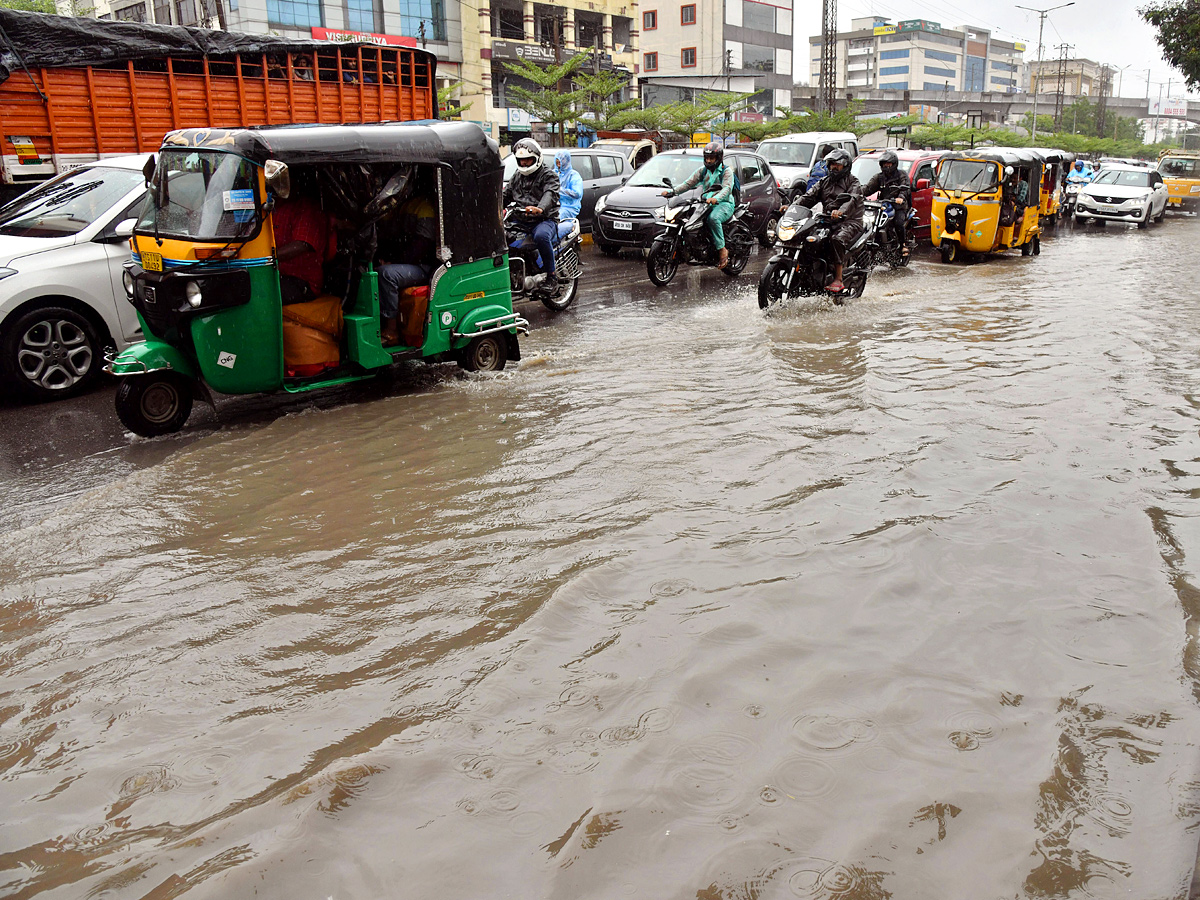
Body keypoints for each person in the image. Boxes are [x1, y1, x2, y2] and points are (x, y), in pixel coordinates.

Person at [794, 148, 864, 294]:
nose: (833, 167)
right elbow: (808, 196)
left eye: (836, 164)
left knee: (836, 239)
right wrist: (792, 206)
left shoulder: (853, 182)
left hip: (849, 221)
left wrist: (841, 212)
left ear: (845, 165)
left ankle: (838, 278)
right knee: (807, 237)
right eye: (831, 164)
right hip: (827, 220)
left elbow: (851, 200)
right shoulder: (824, 182)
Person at [661, 141, 736, 268]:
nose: (709, 161)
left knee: (713, 219)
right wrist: (672, 192)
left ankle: (722, 250)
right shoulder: (702, 171)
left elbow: (727, 189)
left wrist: (716, 198)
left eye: (712, 158)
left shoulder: (726, 171)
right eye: (707, 158)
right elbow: (688, 183)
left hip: (724, 204)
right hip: (706, 203)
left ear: (719, 158)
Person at [378, 187, 438, 345]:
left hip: (424, 267)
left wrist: (393, 261)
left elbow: (420, 247)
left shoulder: (424, 207)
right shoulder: (401, 205)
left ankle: (391, 330)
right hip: (408, 262)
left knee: (386, 274)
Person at [503, 138, 560, 293]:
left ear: (537, 158)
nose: (525, 164)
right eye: (521, 161)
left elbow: (550, 193)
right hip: (521, 219)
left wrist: (540, 208)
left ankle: (551, 276)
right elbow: (505, 195)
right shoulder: (517, 176)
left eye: (528, 160)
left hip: (544, 219)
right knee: (502, 237)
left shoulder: (549, 175)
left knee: (541, 236)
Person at [273, 194, 331, 305]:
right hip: (275, 274)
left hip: (301, 281)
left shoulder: (307, 207)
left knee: (259, 293)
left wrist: (266, 258)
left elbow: (302, 244)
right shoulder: (271, 206)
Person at [861, 149, 911, 257]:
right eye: (884, 164)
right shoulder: (879, 177)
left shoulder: (901, 175)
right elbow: (868, 188)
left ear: (894, 164)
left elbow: (905, 188)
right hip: (883, 205)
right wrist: (857, 194)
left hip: (898, 206)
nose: (886, 166)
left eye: (888, 163)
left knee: (898, 222)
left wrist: (901, 197)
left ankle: (903, 244)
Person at [555, 150, 582, 239]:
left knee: (558, 217)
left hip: (568, 207)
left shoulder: (573, 175)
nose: (559, 163)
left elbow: (577, 193)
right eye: (557, 161)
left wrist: (560, 190)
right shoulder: (553, 174)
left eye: (562, 160)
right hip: (554, 205)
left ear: (567, 161)